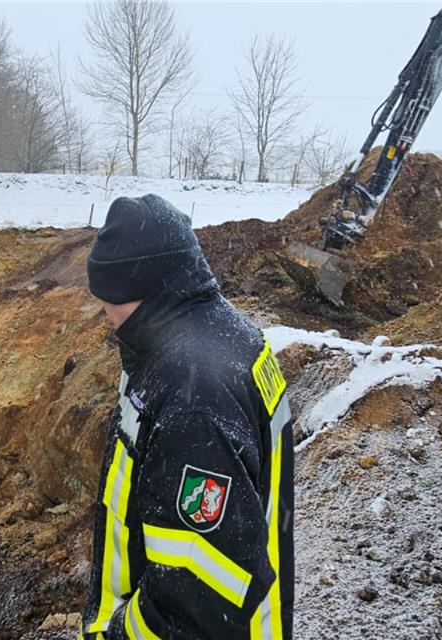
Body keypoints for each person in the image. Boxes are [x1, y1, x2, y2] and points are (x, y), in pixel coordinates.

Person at [79, 194, 295, 640]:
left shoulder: (193, 396)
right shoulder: (217, 334)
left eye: (110, 298)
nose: (106, 313)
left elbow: (195, 606)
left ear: (144, 289)